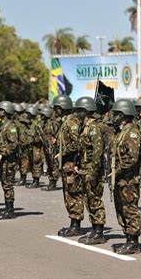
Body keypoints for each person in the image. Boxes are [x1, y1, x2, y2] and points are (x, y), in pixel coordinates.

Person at [111, 99, 141, 255]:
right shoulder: (121, 132)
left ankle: (133, 242)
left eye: (116, 114)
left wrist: (117, 171)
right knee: (121, 209)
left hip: (129, 179)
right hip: (121, 179)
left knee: (130, 209)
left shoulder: (132, 132)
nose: (113, 117)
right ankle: (128, 238)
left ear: (124, 114)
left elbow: (132, 158)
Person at [75, 97, 107, 245]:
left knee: (94, 199)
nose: (77, 113)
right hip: (85, 169)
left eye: (79, 110)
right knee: (89, 200)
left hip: (92, 170)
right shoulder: (85, 126)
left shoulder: (93, 128)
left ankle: (99, 232)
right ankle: (94, 229)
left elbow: (97, 150)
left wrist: (94, 170)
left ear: (86, 111)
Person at [54, 95, 84, 237]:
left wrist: (62, 153)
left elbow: (76, 143)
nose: (54, 110)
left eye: (56, 107)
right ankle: (73, 223)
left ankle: (76, 225)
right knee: (68, 194)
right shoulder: (67, 121)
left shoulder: (71, 122)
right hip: (67, 164)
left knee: (73, 194)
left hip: (71, 164)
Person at [0, 101, 19, 220]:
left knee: (8, 184)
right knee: (5, 184)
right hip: (4, 159)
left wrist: (3, 152)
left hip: (9, 160)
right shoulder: (1, 124)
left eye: (0, 110)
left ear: (5, 112)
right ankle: (7, 208)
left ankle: (10, 210)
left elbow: (14, 144)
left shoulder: (10, 126)